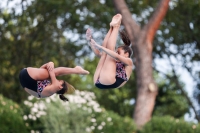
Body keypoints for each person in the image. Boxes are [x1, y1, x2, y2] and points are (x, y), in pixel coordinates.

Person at [86, 14, 133, 89]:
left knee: (109, 53)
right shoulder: (114, 61)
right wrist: (90, 41)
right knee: (105, 53)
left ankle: (116, 26)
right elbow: (98, 54)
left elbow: (115, 55)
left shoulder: (129, 62)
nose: (116, 53)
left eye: (119, 52)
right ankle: (112, 27)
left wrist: (99, 46)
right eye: (117, 52)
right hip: (98, 80)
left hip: (110, 82)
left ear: (126, 54)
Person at [19, 61, 89, 101]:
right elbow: (41, 70)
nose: (56, 80)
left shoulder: (56, 86)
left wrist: (51, 63)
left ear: (60, 87)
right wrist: (48, 64)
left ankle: (76, 70)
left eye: (59, 81)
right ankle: (76, 70)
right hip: (26, 80)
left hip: (26, 77)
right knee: (50, 72)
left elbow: (54, 72)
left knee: (55, 72)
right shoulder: (49, 88)